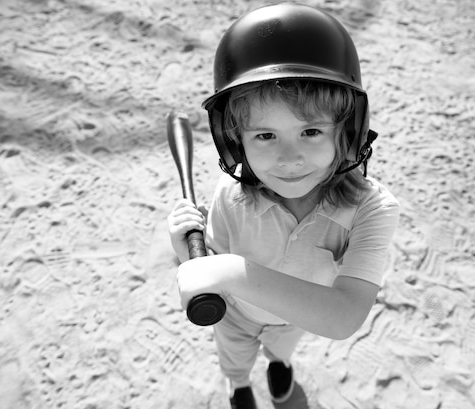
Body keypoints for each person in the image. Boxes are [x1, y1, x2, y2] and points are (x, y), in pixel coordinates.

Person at [167, 3, 399, 408]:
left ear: (347, 130)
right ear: (236, 140)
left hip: (295, 316)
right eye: (265, 136)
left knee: (281, 350)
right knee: (234, 360)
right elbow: (209, 263)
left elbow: (343, 316)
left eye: (310, 131)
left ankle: (278, 365)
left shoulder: (370, 209)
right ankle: (238, 386)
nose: (289, 159)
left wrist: (227, 272)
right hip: (236, 314)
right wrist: (185, 251)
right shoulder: (230, 193)